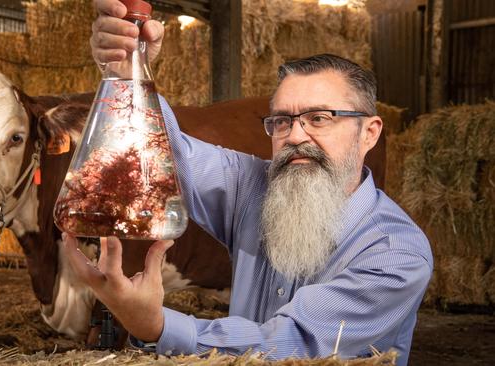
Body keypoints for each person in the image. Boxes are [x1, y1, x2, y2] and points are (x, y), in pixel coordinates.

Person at [61, 1, 433, 364]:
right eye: (282, 121)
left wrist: (155, 325)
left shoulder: (396, 254)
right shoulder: (255, 186)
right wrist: (129, 70)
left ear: (369, 133)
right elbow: (164, 153)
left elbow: (293, 344)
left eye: (319, 118)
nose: (296, 136)